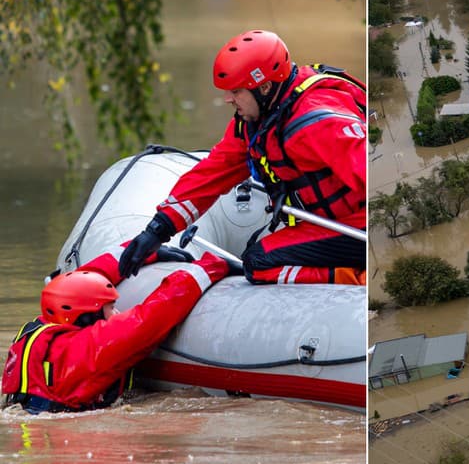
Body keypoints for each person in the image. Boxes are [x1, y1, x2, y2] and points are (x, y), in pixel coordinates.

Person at [118, 29, 367, 286]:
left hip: (359, 227)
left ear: (265, 87)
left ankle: (359, 279)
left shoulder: (317, 121)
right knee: (257, 259)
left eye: (236, 91)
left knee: (258, 263)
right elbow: (212, 174)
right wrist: (157, 230)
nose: (227, 99)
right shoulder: (256, 122)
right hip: (333, 223)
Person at [2, 245, 229, 414]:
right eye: (110, 307)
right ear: (88, 316)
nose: (117, 313)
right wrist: (209, 268)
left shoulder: (44, 325)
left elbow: (83, 278)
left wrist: (144, 251)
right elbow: (152, 317)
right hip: (62, 427)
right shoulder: (94, 346)